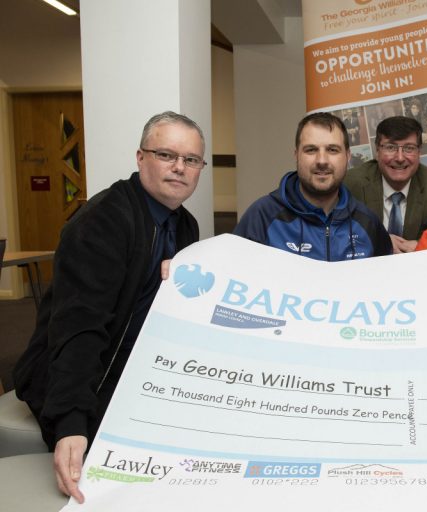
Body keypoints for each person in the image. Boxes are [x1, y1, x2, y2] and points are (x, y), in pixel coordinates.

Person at [13, 111, 206, 503]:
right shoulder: (102, 221)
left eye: (191, 160)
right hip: (78, 374)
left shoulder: (185, 226)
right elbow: (78, 328)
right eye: (167, 155)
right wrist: (70, 422)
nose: (179, 168)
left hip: (137, 371)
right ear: (140, 158)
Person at [234, 112, 391, 260]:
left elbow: (384, 284)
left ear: (348, 156)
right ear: (296, 156)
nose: (321, 160)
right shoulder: (262, 216)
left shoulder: (367, 222)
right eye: (311, 150)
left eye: (332, 150)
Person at [344, 116, 427, 253]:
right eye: (390, 147)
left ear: (419, 152)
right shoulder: (350, 184)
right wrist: (376, 240)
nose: (400, 158)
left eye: (409, 148)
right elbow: (326, 231)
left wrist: (426, 244)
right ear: (377, 151)